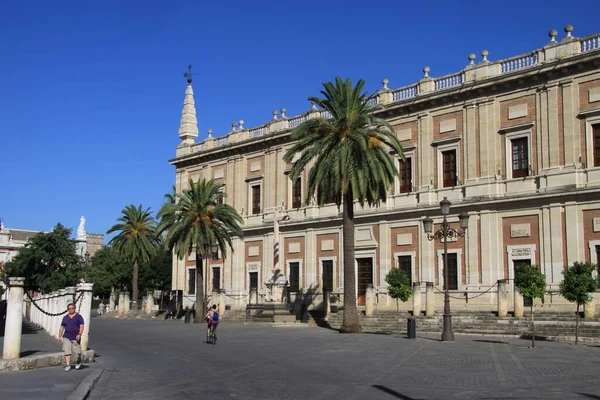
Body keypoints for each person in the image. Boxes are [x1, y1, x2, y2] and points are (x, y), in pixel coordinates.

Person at [57, 303, 84, 371]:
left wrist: (79, 334)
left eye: (72, 308)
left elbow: (81, 326)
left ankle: (78, 360)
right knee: (67, 350)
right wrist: (60, 336)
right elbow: (62, 327)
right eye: (69, 308)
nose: (71, 309)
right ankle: (68, 365)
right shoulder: (65, 318)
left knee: (77, 352)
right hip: (66, 336)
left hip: (75, 337)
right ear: (67, 309)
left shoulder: (79, 317)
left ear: (75, 309)